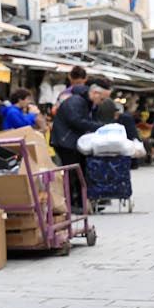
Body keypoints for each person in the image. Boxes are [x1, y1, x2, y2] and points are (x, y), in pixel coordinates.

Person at [51, 78, 108, 210]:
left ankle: (80, 203)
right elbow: (76, 121)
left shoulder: (85, 102)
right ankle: (71, 204)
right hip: (65, 142)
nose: (102, 102)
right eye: (102, 99)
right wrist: (99, 127)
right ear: (95, 93)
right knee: (72, 174)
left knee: (79, 172)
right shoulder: (76, 101)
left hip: (71, 141)